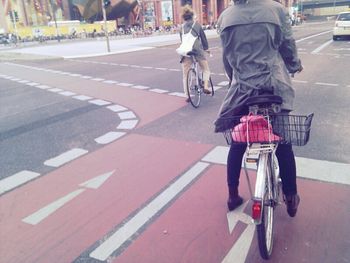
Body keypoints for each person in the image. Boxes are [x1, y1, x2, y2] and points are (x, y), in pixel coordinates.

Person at [215, 0, 303, 217]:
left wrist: (234, 80)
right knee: (282, 142)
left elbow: (227, 57)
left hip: (243, 88)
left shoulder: (225, 17)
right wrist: (293, 65)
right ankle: (291, 196)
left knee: (238, 142)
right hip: (274, 85)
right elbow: (287, 44)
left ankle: (233, 194)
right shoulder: (276, 10)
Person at [179, 5, 211, 101]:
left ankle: (187, 95)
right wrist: (206, 49)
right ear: (192, 16)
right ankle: (205, 86)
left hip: (185, 52)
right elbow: (203, 39)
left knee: (185, 75)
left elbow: (182, 40)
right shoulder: (197, 25)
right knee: (206, 69)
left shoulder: (181, 28)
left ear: (184, 17)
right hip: (197, 50)